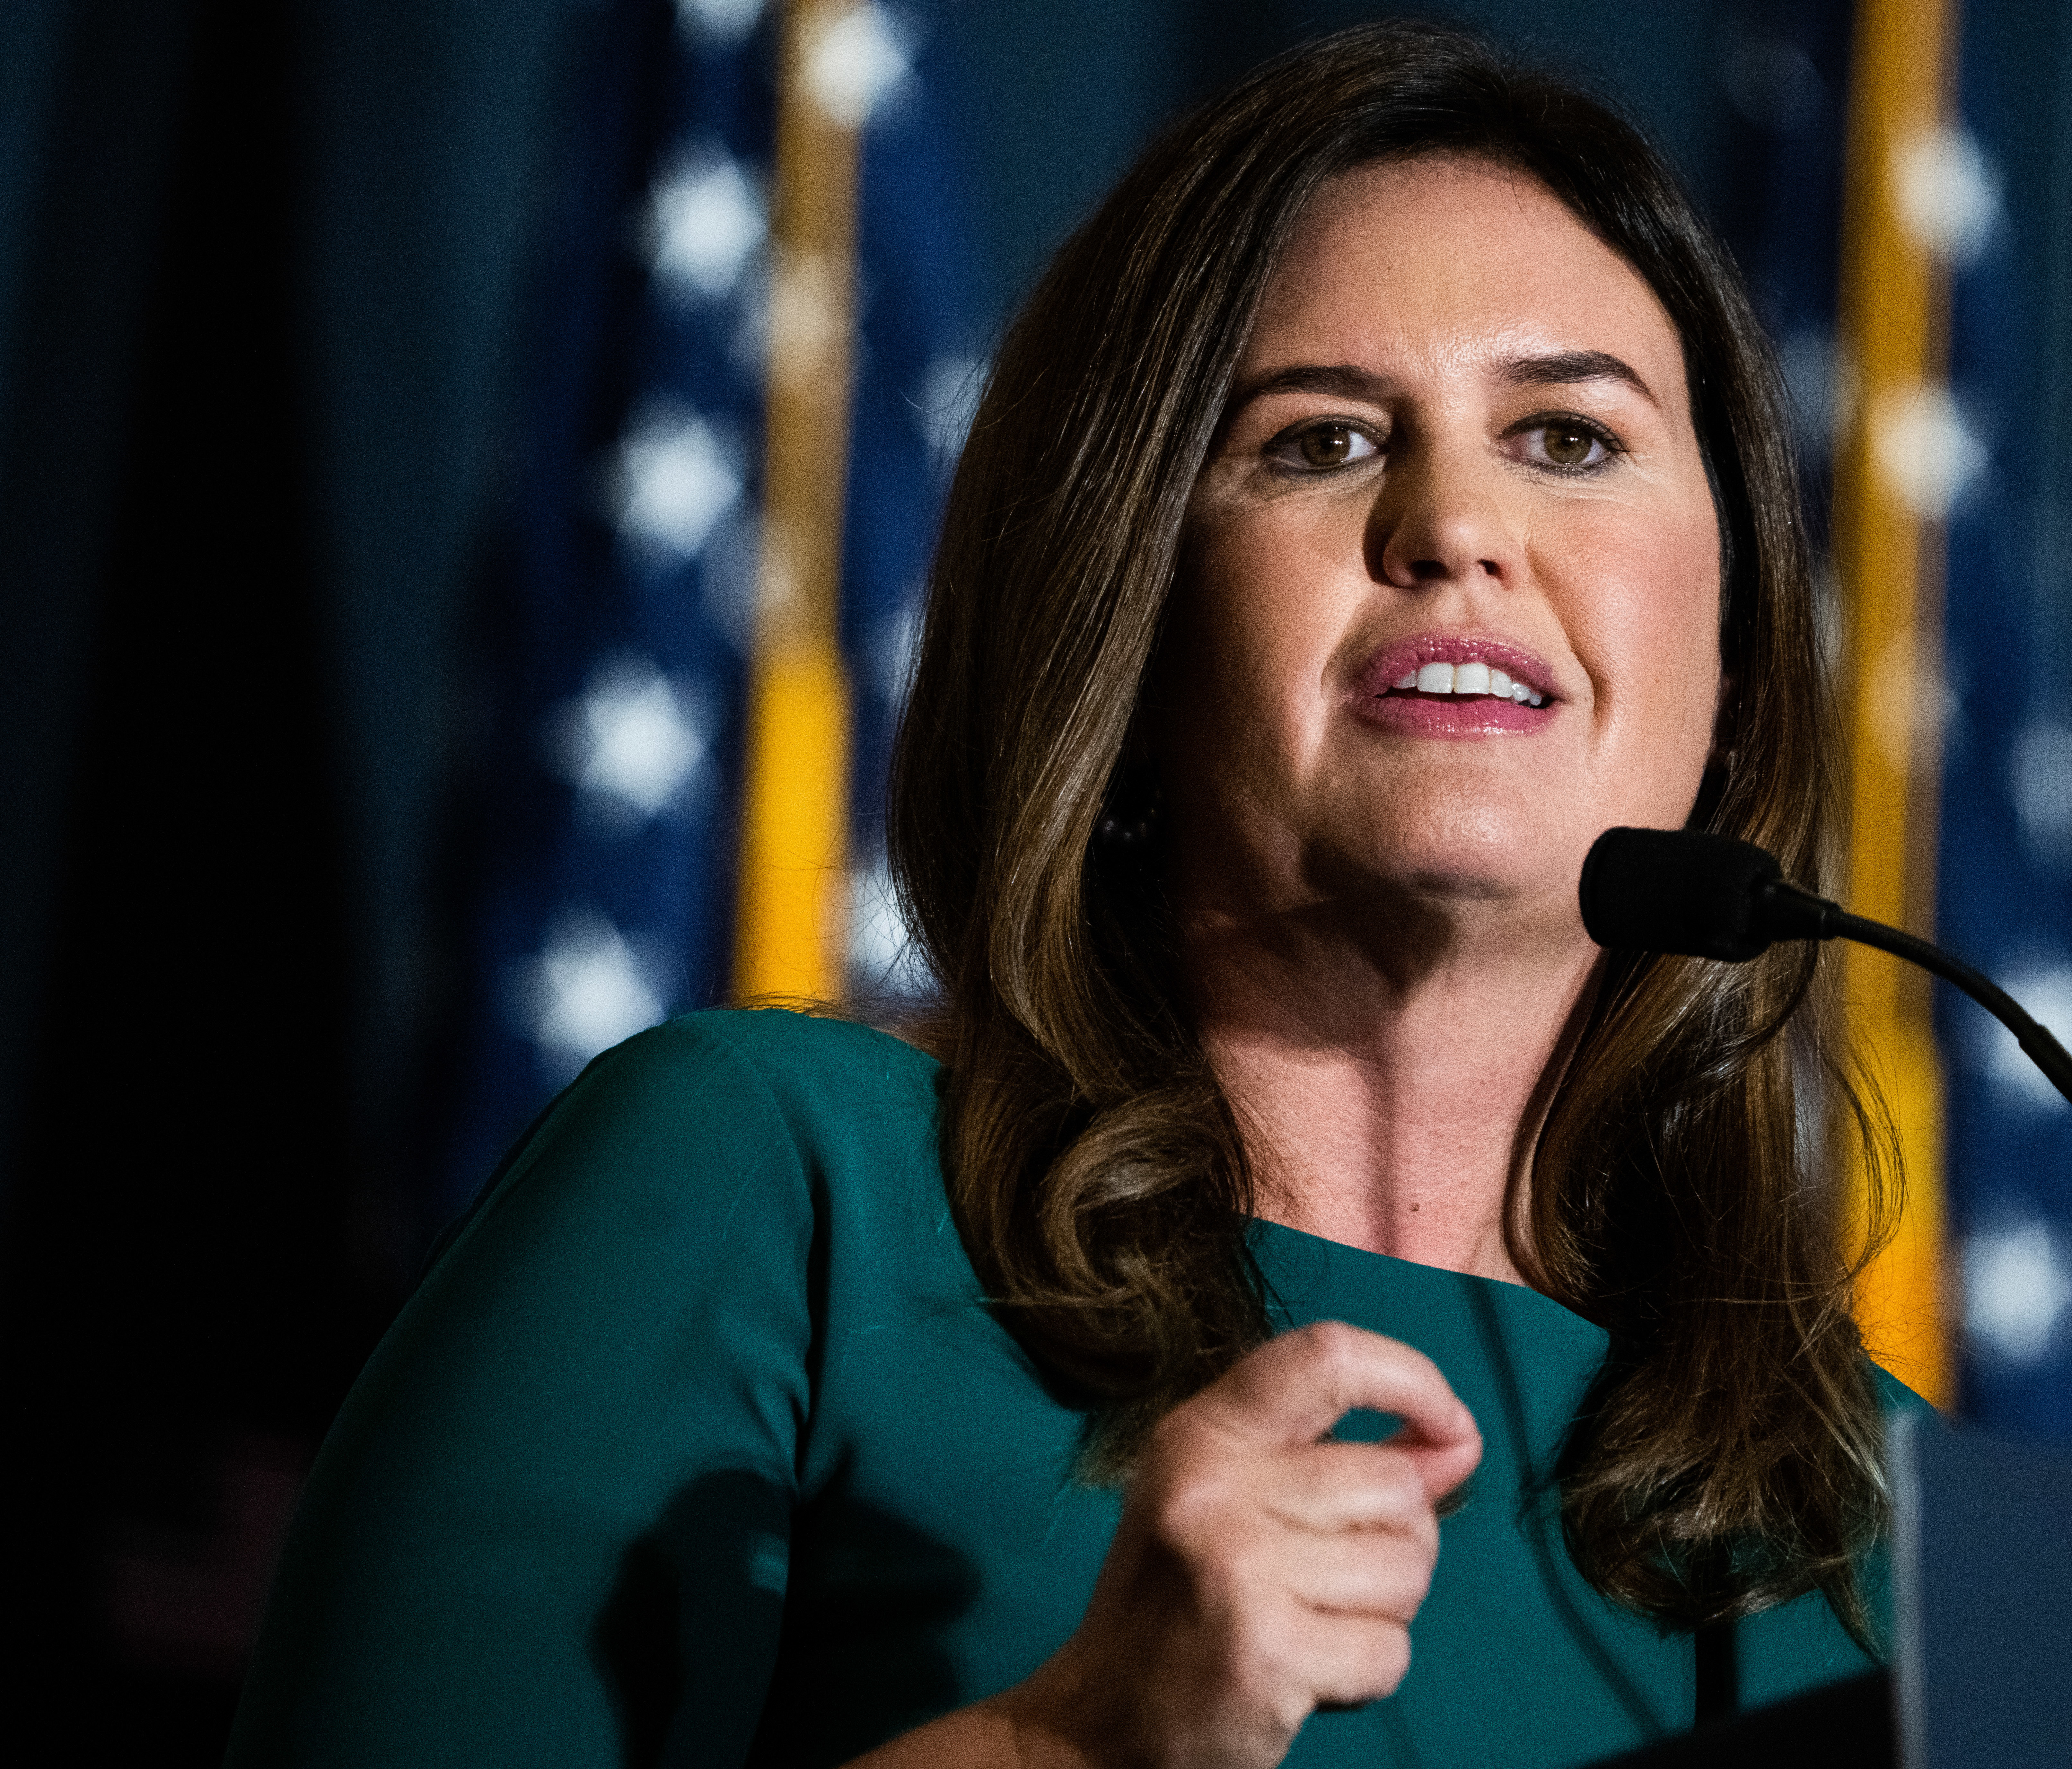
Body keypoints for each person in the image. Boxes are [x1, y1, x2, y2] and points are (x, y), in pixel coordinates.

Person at [226, 22, 1922, 1769]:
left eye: (1569, 438)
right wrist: (1066, 1747)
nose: (1455, 526)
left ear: (1732, 647)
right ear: (1127, 616)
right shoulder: (775, 1194)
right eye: (1321, 441)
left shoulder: (1885, 1513)